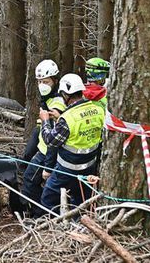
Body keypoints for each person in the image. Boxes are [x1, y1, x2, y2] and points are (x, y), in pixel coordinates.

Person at [40, 73, 105, 212]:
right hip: (89, 167)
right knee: (81, 202)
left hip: (66, 170)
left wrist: (45, 121)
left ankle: (50, 227)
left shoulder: (67, 118)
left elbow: (50, 141)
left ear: (65, 94)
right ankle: (79, 225)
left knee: (48, 199)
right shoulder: (98, 110)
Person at [21, 59, 66, 216]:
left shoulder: (57, 104)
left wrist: (47, 166)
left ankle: (41, 214)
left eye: (46, 81)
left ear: (55, 81)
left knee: (29, 181)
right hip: (43, 148)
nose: (42, 85)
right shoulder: (47, 99)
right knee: (31, 179)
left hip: (47, 153)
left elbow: (54, 139)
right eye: (39, 81)